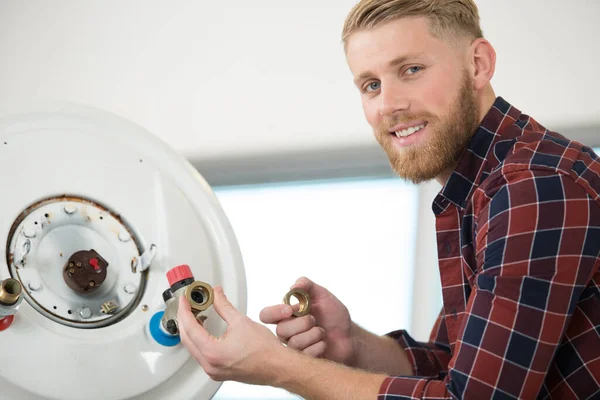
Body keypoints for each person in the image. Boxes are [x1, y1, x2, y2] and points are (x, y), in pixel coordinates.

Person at [177, 0, 600, 398]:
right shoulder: (478, 192)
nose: (389, 105)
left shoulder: (532, 185)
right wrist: (354, 345)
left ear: (478, 64)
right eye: (371, 84)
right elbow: (455, 367)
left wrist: (275, 367)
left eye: (412, 69)